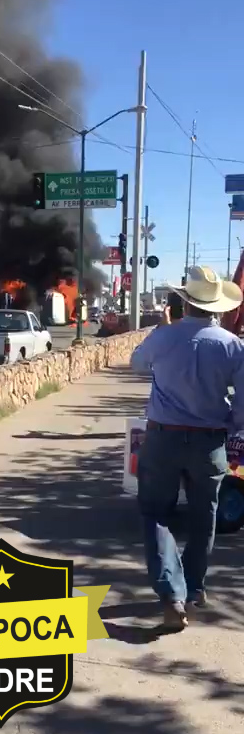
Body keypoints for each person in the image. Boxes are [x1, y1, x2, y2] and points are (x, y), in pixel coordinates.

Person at [131, 265, 244, 630]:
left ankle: (171, 594)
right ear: (216, 307)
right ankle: (194, 588)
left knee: (156, 513)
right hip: (209, 440)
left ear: (185, 302)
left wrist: (164, 335)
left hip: (163, 436)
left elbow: (136, 365)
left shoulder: (164, 337)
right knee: (203, 517)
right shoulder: (232, 345)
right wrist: (231, 424)